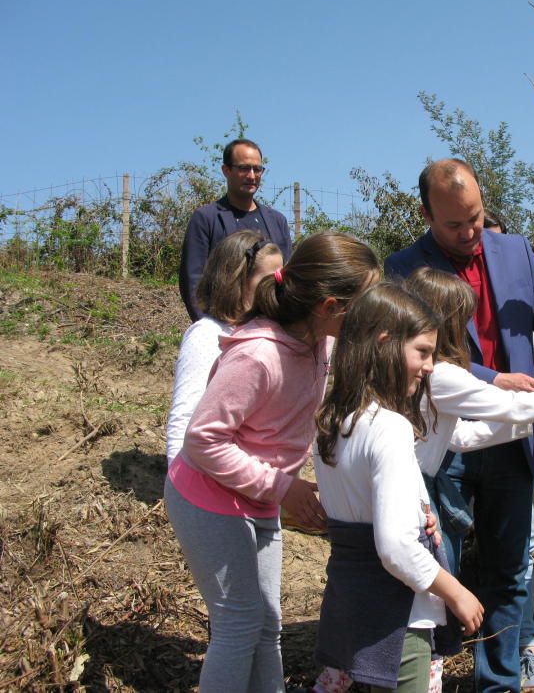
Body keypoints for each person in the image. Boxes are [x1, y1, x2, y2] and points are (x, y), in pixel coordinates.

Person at [385, 158, 534, 692]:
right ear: (425, 214)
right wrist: (492, 379)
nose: (469, 233)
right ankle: (427, 675)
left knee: (511, 568)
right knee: (436, 563)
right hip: (446, 441)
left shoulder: (513, 251)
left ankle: (500, 681)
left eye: (475, 218)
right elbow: (411, 351)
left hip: (514, 441)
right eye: (454, 225)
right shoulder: (403, 268)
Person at [164, 231, 380, 693]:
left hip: (257, 498)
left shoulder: (317, 343)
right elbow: (202, 440)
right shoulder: (258, 353)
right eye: (362, 304)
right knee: (239, 623)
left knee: (267, 624)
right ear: (328, 305)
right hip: (207, 497)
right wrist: (284, 488)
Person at [313, 282, 484, 693]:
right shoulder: (387, 427)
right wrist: (455, 591)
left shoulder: (333, 422)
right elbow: (396, 547)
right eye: (422, 352)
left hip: (349, 603)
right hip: (398, 616)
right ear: (386, 344)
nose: (430, 366)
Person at [165, 230, 282, 466]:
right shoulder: (207, 336)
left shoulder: (263, 331)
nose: (278, 289)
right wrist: (179, 484)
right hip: (212, 482)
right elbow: (184, 417)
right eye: (269, 281)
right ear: (237, 281)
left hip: (254, 479)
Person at [179, 138, 293, 322]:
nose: (251, 175)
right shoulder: (206, 219)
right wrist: (209, 329)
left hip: (270, 330)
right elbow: (192, 280)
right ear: (226, 170)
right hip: (223, 326)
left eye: (257, 169)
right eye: (243, 168)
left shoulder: (277, 221)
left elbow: (287, 277)